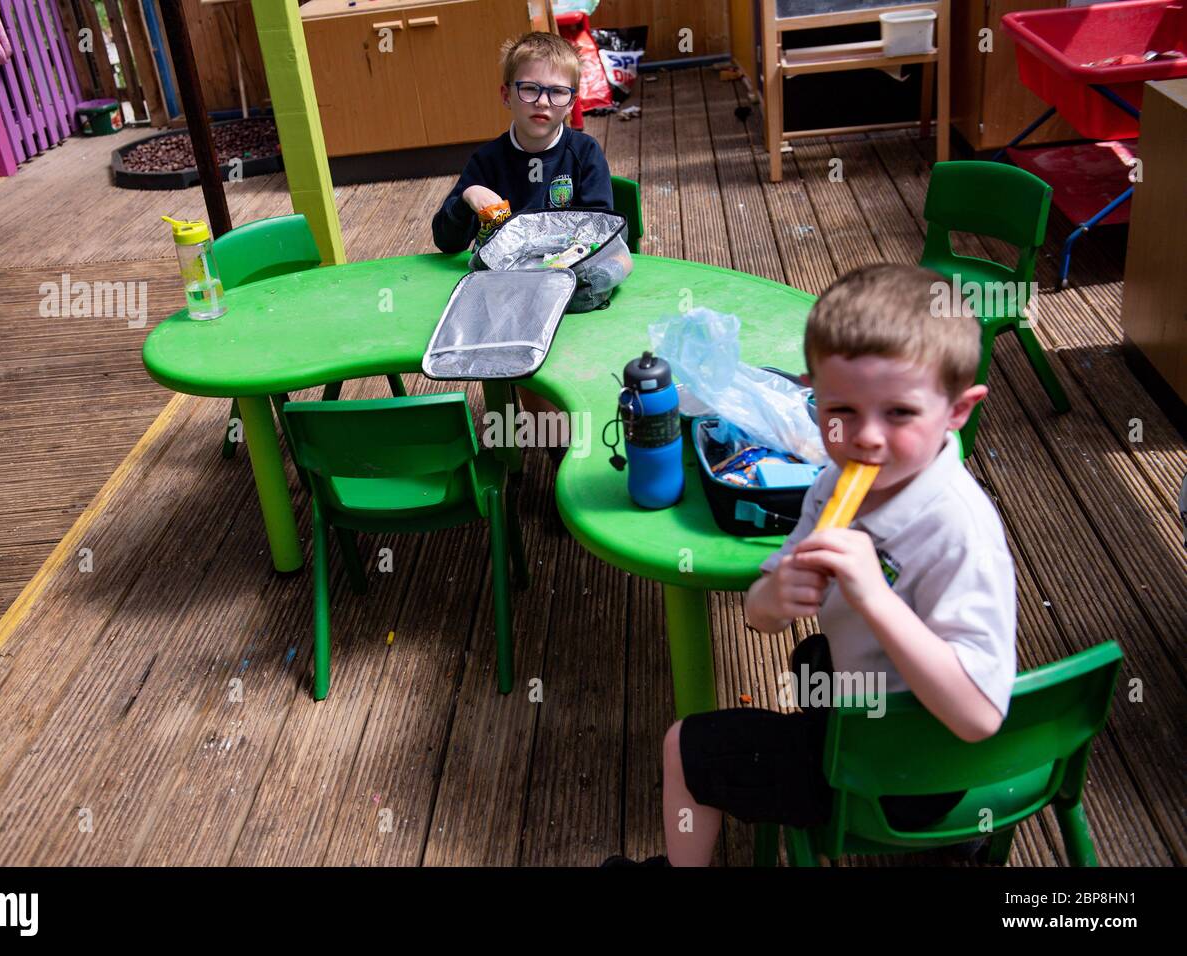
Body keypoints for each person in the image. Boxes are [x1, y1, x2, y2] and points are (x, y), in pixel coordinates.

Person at [606, 263, 1018, 866]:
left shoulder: (958, 532)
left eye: (899, 413)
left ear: (958, 410)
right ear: (810, 396)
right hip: (865, 705)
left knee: (684, 746)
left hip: (915, 769)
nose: (867, 438)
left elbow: (979, 716)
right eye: (842, 410)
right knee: (811, 663)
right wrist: (775, 596)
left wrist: (875, 598)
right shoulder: (831, 484)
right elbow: (762, 615)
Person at [432, 32, 615, 464]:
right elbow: (446, 241)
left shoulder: (584, 153)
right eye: (530, 88)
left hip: (574, 289)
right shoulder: (488, 162)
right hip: (508, 296)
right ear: (506, 95)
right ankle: (566, 462)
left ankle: (581, 444)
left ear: (572, 101)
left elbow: (601, 230)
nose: (543, 102)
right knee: (527, 368)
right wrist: (467, 197)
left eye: (557, 92)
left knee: (576, 365)